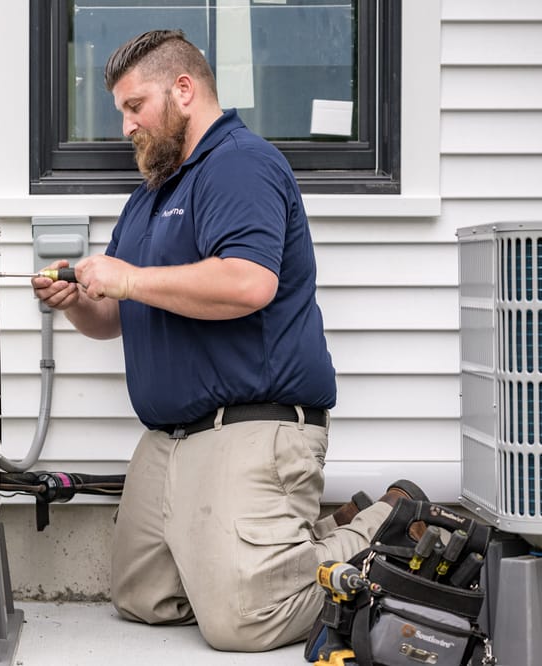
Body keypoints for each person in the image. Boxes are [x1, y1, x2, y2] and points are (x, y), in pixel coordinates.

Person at [31, 29, 425, 651]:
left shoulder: (240, 163)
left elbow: (248, 283)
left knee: (244, 621)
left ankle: (392, 523)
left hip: (249, 425)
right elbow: (116, 317)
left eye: (134, 107)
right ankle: (308, 535)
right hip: (171, 442)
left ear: (184, 89)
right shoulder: (150, 195)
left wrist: (127, 278)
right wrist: (79, 303)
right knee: (143, 599)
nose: (125, 126)